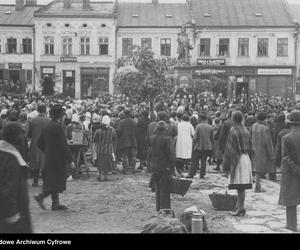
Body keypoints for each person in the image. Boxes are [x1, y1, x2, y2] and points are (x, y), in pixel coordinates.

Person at [34, 104, 75, 211]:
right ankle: (41, 196)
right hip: (58, 158)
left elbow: (39, 143)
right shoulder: (59, 127)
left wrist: (47, 151)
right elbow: (64, 145)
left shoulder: (47, 126)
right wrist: (70, 159)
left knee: (52, 179)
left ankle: (55, 203)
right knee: (57, 180)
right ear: (60, 115)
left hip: (49, 157)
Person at [0, 122, 32, 233]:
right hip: (11, 221)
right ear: (17, 140)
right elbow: (8, 191)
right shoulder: (11, 160)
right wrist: (13, 215)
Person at [223, 111, 254, 216]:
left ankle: (241, 208)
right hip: (246, 159)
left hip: (237, 159)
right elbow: (251, 147)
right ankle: (238, 206)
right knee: (242, 185)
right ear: (241, 119)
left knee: (239, 185)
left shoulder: (233, 129)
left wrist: (226, 164)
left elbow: (230, 148)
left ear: (233, 119)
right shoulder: (246, 130)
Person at [150, 121, 179, 212]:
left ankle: (159, 209)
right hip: (165, 166)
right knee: (165, 190)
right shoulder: (167, 139)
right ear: (166, 128)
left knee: (158, 188)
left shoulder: (152, 138)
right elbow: (170, 154)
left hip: (155, 165)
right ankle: (165, 210)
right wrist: (173, 167)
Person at [279, 110, 300, 231]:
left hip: (292, 174)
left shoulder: (287, 137)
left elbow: (286, 158)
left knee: (291, 201)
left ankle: (292, 225)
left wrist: (297, 169)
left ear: (291, 124)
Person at [26, 103, 50, 187]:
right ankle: (45, 182)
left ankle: (35, 181)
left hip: (35, 144)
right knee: (44, 162)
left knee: (35, 163)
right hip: (45, 145)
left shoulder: (33, 120)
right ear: (45, 110)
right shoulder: (49, 121)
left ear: (38, 110)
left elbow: (29, 134)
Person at [250, 112, 275, 192]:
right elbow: (269, 142)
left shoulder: (253, 126)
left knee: (256, 168)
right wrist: (271, 154)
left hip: (254, 149)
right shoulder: (265, 128)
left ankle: (257, 185)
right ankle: (257, 186)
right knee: (259, 169)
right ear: (265, 119)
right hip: (262, 150)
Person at [187, 112, 213, 179]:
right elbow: (212, 138)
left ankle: (192, 173)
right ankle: (202, 174)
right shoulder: (210, 127)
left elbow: (195, 138)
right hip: (207, 146)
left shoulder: (198, 126)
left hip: (198, 146)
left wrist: (193, 145)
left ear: (200, 118)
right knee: (203, 161)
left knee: (194, 160)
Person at [93, 115, 117, 182]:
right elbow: (115, 138)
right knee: (107, 164)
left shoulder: (98, 130)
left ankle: (100, 175)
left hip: (99, 150)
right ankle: (105, 177)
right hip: (108, 150)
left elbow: (94, 139)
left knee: (100, 163)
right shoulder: (112, 130)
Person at [117, 109, 138, 174]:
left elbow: (119, 131)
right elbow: (137, 131)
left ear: (124, 114)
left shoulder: (121, 122)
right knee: (133, 155)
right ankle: (133, 169)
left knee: (124, 155)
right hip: (133, 140)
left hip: (124, 141)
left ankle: (125, 169)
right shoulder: (134, 122)